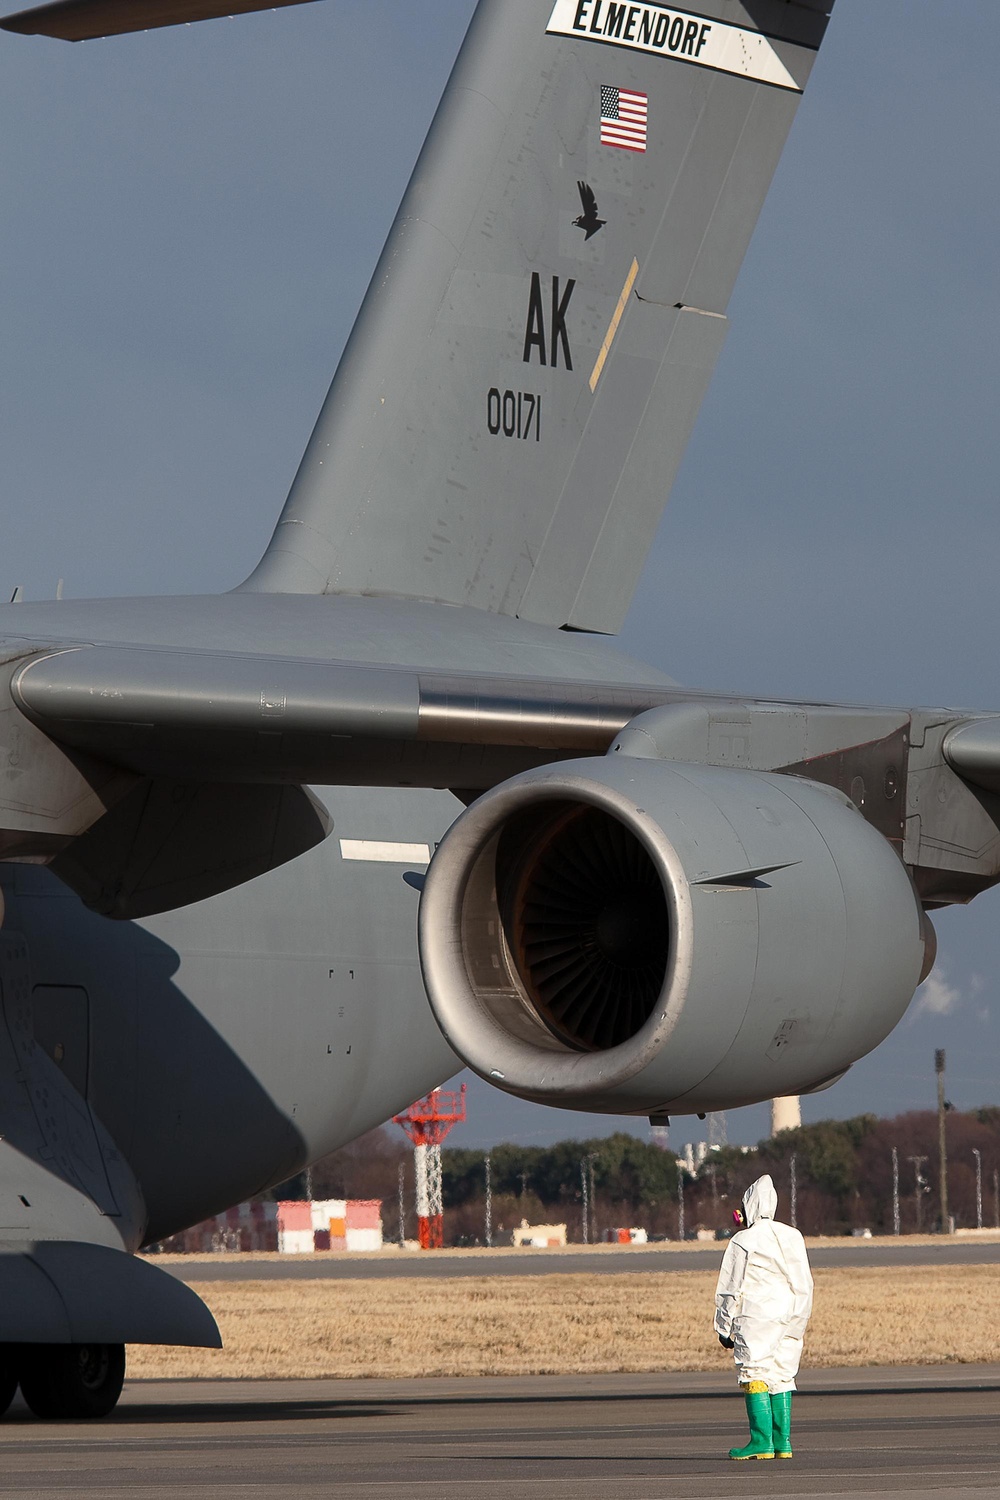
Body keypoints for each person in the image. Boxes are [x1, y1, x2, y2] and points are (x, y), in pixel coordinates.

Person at [713, 1174, 813, 1460]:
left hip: (756, 1314)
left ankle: (761, 1441)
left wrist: (723, 1325)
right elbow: (804, 1281)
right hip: (791, 1312)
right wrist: (800, 1318)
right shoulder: (792, 1235)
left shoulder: (743, 1239)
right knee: (782, 1374)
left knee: (753, 1372)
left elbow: (730, 1286)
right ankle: (783, 1443)